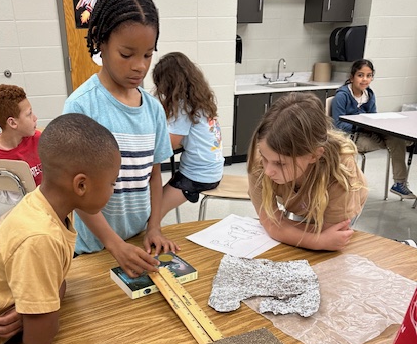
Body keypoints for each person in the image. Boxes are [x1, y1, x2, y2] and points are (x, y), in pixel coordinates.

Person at [0, 113, 120, 344]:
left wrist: (40, 305)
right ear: (81, 185)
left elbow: (56, 284)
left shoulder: (47, 203)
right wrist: (40, 311)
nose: (113, 189)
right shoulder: (41, 236)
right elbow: (37, 341)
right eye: (112, 183)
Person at [63, 0, 178, 279]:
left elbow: (154, 175)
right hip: (95, 247)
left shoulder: (153, 110)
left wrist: (154, 227)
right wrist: (113, 244)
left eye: (147, 55)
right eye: (126, 54)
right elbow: (76, 193)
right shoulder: (82, 106)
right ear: (101, 41)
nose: (139, 67)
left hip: (138, 240)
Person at [247, 92, 368, 252]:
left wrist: (282, 227)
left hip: (332, 205)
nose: (268, 171)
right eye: (265, 158)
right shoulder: (263, 153)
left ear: (314, 155)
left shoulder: (341, 168)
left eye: (280, 164)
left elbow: (331, 234)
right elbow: (270, 222)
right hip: (302, 204)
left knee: (330, 253)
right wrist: (315, 241)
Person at [152, 51, 224, 217]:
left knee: (153, 211)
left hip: (197, 176)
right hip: (213, 170)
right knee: (157, 200)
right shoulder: (201, 101)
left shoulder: (184, 107)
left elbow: (169, 145)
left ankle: (149, 236)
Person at [332, 58, 415, 199]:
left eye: (368, 76)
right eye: (360, 75)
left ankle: (399, 184)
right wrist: (361, 125)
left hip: (368, 134)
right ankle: (401, 144)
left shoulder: (369, 95)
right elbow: (338, 125)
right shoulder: (342, 96)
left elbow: (373, 116)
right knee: (398, 143)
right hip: (350, 137)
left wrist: (374, 125)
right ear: (352, 77)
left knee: (395, 138)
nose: (364, 79)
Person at [0, 84, 42, 206]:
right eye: (29, 114)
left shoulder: (38, 139)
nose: (35, 118)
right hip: (27, 208)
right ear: (12, 123)